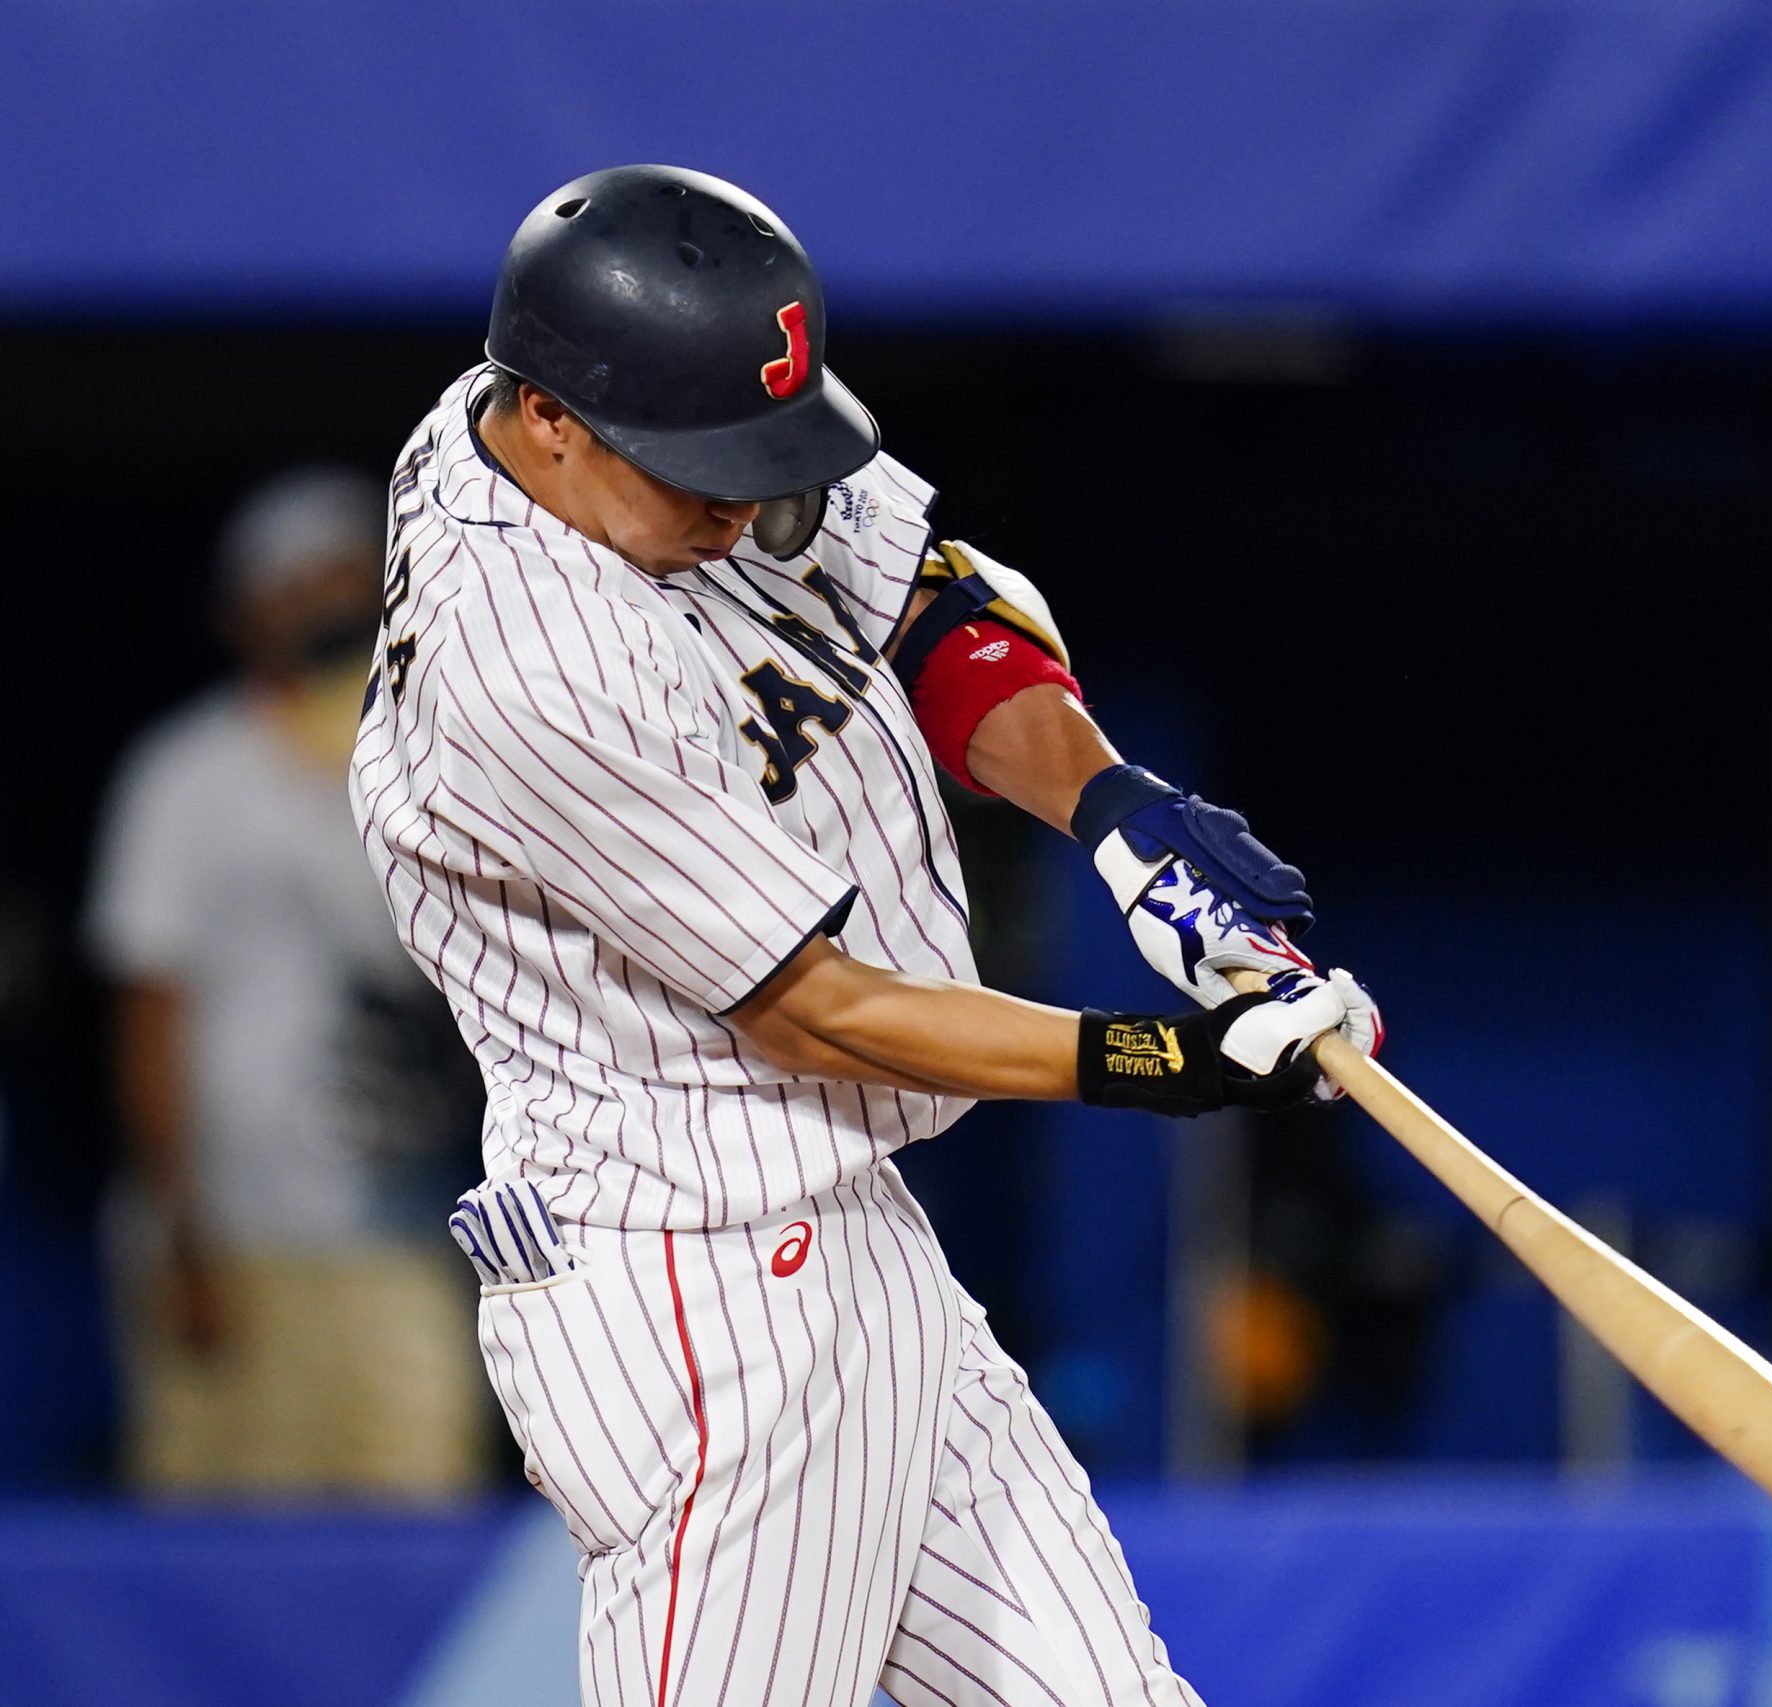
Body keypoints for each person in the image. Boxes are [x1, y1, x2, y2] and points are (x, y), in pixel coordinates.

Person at [355, 165, 1381, 1706]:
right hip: (694, 1286)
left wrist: (1114, 817)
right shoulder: (526, 670)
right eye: (699, 469)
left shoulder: (557, 414)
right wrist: (1177, 1055)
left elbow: (924, 598)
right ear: (552, 419)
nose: (742, 506)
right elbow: (817, 1007)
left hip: (856, 1234)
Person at [89, 468, 488, 1498]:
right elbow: (149, 1009)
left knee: (414, 1506)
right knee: (225, 1532)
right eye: (293, 581)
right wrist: (181, 1229)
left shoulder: (440, 768)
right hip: (236, 1233)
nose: (323, 601)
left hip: (401, 1223)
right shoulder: (185, 776)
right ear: (241, 612)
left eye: (343, 575)